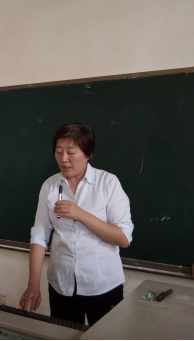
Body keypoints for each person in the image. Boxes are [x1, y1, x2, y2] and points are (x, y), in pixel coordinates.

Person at [19, 122, 134, 326]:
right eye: (58, 152)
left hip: (102, 286)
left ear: (89, 154)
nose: (64, 158)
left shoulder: (108, 183)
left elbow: (123, 238)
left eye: (71, 152)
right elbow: (39, 235)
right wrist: (33, 284)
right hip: (61, 285)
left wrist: (80, 214)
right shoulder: (49, 186)